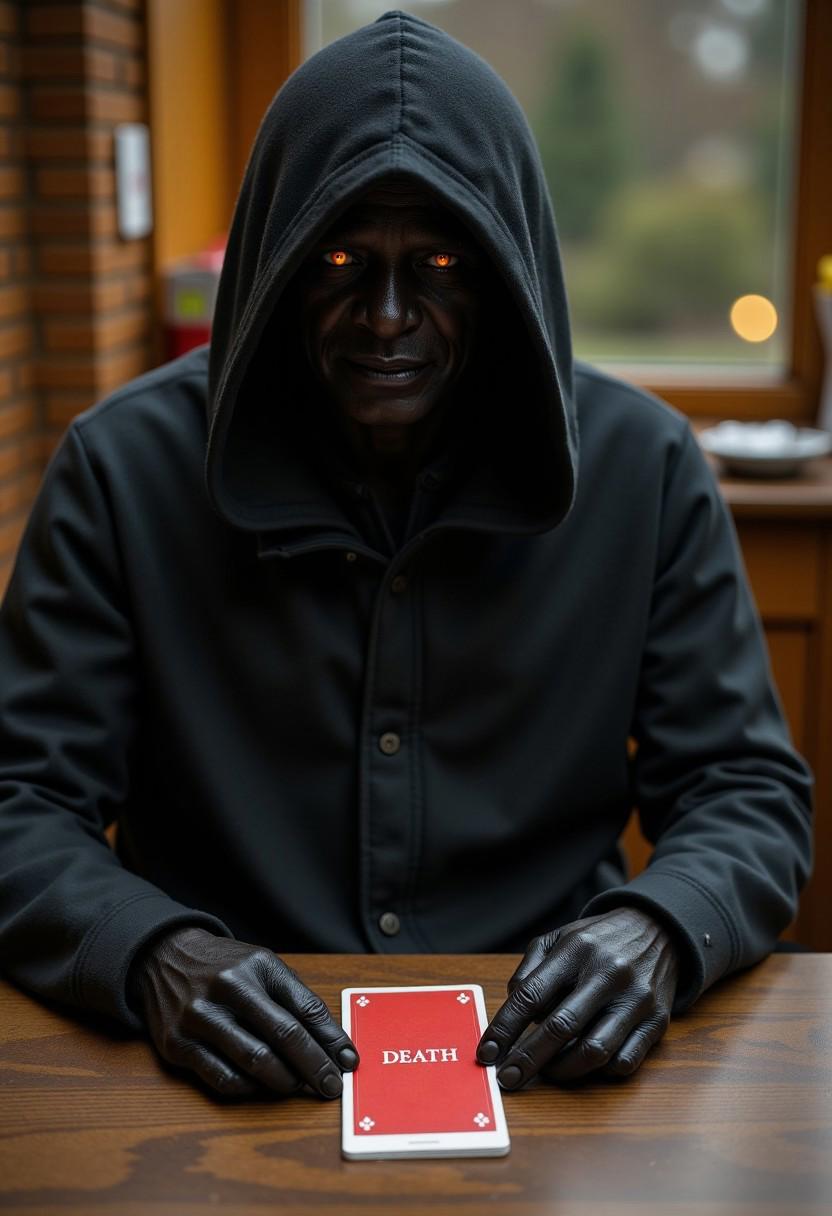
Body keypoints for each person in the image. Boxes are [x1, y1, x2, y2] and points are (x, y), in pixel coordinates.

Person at [0, 12, 812, 1101]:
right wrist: (152, 952)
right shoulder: (122, 470)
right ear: (278, 264)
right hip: (214, 1067)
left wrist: (658, 929)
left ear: (506, 268)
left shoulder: (647, 468)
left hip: (554, 1057)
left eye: (439, 261)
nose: (387, 316)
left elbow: (744, 787)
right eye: (339, 259)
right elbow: (17, 801)